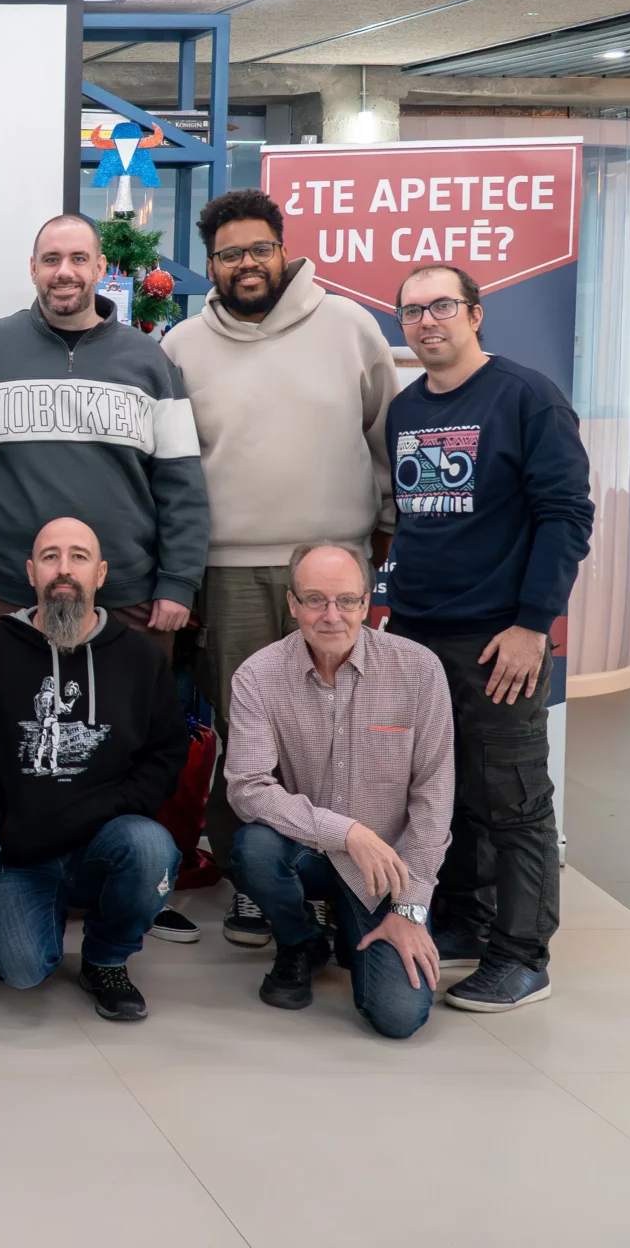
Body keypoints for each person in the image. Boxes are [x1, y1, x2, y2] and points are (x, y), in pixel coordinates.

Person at [161, 189, 396, 948]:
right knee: (246, 735)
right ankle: (253, 883)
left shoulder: (350, 328)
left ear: (283, 248)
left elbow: (388, 436)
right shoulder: (182, 347)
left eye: (259, 248)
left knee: (340, 733)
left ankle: (337, 876)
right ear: (210, 266)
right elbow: (168, 468)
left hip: (333, 570)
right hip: (227, 571)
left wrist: (384, 532)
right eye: (230, 254)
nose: (247, 264)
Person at [384, 263, 593, 1012]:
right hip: (416, 636)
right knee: (447, 791)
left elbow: (567, 516)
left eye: (441, 306)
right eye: (410, 311)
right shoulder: (405, 409)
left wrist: (532, 625)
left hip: (497, 637)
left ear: (475, 313)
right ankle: (467, 926)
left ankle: (523, 954)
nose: (426, 321)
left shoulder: (527, 396)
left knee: (511, 799)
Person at [0, 518, 184, 1021]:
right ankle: (38, 915)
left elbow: (165, 755)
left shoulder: (141, 659)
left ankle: (105, 958)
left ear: (101, 573)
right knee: (22, 971)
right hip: (17, 854)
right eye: (50, 557)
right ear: (31, 572)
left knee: (149, 847)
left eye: (79, 557)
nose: (64, 570)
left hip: (103, 841)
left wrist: (102, 811)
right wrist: (1, 829)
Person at [0, 214, 207, 662]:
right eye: (51, 260)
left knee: (133, 726)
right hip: (7, 592)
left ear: (100, 267)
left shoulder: (148, 361)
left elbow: (181, 482)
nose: (64, 272)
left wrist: (178, 581)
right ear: (33, 268)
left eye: (78, 258)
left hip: (128, 592)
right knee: (6, 724)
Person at [225, 544, 452, 1039]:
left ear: (367, 602)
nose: (332, 616)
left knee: (398, 1016)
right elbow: (247, 787)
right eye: (315, 600)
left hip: (385, 871)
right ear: (291, 604)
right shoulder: (258, 676)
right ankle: (300, 941)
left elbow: (435, 798)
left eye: (347, 601)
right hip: (304, 852)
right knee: (254, 848)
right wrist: (345, 832)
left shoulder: (419, 670)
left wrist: (409, 908)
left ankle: (356, 936)